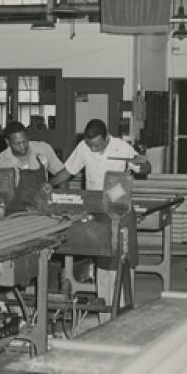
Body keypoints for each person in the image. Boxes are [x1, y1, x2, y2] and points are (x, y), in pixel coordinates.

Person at [48, 119, 147, 312]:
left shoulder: (122, 148)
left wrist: (142, 163)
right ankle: (105, 311)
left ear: (108, 137)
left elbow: (144, 169)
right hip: (98, 209)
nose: (93, 150)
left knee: (123, 260)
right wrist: (49, 184)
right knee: (103, 262)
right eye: (90, 145)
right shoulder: (84, 148)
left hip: (120, 208)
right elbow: (68, 171)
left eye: (98, 146)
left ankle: (124, 310)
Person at [0, 121, 65, 214]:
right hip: (14, 214)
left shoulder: (43, 149)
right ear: (7, 142)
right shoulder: (1, 161)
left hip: (42, 212)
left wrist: (63, 203)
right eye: (17, 144)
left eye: (25, 141)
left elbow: (62, 175)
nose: (23, 146)